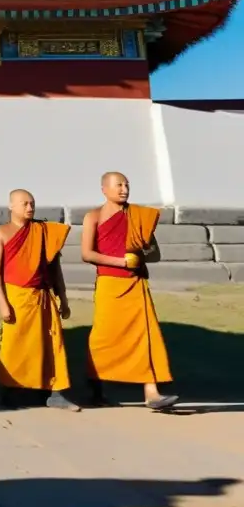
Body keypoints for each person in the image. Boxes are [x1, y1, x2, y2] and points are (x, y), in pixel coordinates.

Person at [81, 172, 178, 410]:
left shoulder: (138, 217)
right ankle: (96, 387)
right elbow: (87, 254)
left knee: (145, 336)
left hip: (136, 283)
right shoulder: (93, 216)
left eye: (127, 185)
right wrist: (122, 262)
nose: (124, 189)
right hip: (109, 284)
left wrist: (139, 255)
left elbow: (154, 254)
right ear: (104, 189)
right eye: (118, 185)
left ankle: (152, 392)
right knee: (104, 337)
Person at [0, 189, 79, 411]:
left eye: (32, 203)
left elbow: (54, 267)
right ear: (11, 206)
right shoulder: (1, 233)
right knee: (15, 345)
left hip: (43, 295)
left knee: (52, 344)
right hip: (17, 296)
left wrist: (63, 298)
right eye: (24, 204)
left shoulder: (43, 231)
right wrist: (3, 302)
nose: (30, 208)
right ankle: (11, 390)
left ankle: (56, 392)